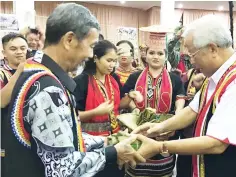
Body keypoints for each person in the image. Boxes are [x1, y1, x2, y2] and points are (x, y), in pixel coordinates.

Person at [3, 3, 145, 177]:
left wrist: (107, 141)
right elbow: (63, 168)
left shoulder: (33, 67)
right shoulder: (48, 91)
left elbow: (61, 137)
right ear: (69, 40)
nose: (91, 55)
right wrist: (114, 152)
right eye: (91, 46)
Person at [132, 14, 236, 177]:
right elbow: (192, 110)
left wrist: (160, 147)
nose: (191, 61)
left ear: (212, 48)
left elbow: (216, 144)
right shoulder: (218, 76)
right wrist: (158, 128)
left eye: (192, 54)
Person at [121, 25, 186, 177]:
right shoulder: (134, 77)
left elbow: (180, 101)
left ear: (165, 56)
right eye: (152, 53)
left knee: (163, 172)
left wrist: (175, 121)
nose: (156, 56)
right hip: (138, 131)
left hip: (164, 133)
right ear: (146, 55)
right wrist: (132, 100)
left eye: (160, 53)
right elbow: (123, 102)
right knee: (135, 168)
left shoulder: (175, 79)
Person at [74, 40, 123, 136]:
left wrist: (130, 96)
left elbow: (118, 105)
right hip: (90, 139)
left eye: (114, 61)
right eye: (109, 61)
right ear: (96, 58)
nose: (112, 65)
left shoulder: (114, 79)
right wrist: (95, 112)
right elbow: (73, 116)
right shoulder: (81, 81)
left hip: (115, 135)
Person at [0, 32, 28, 177]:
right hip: (7, 136)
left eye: (23, 48)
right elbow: (1, 101)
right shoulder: (2, 74)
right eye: (13, 49)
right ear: (4, 53)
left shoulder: (34, 71)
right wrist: (19, 72)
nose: (19, 52)